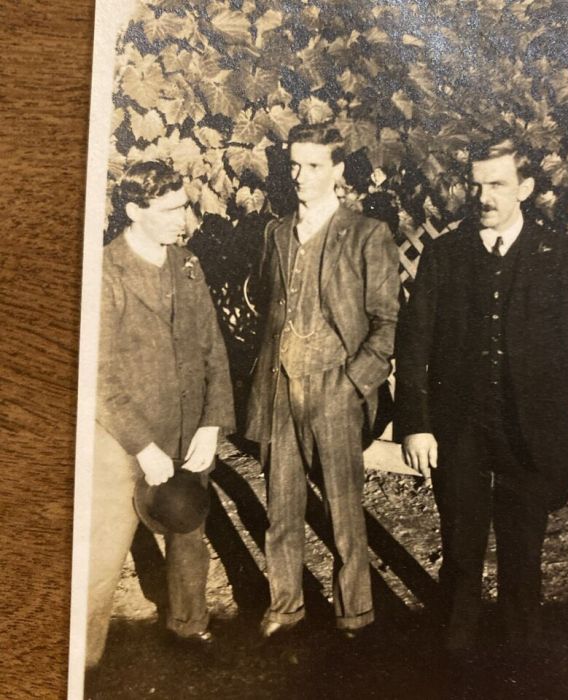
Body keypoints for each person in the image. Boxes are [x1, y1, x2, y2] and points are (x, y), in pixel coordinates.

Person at [395, 135, 568, 659]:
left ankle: (521, 657)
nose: (483, 196)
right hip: (457, 426)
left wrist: (544, 415)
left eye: (498, 184)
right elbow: (413, 343)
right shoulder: (445, 253)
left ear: (525, 188)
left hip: (526, 431)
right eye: (476, 184)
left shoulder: (554, 254)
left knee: (522, 548)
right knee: (461, 542)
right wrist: (415, 422)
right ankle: (455, 655)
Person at [246, 123, 401, 640]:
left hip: (335, 388)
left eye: (313, 166)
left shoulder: (367, 234)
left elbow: (387, 322)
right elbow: (272, 312)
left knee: (342, 508)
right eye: (294, 165)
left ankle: (355, 612)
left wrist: (355, 382)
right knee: (282, 507)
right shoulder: (275, 232)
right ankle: (284, 606)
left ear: (337, 171)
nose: (300, 176)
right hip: (280, 388)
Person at [86, 161, 235, 670]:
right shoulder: (103, 273)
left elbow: (213, 349)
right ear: (133, 211)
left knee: (188, 531)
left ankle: (189, 626)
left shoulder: (188, 264)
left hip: (188, 429)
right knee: (102, 553)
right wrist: (143, 446)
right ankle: (79, 659)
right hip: (122, 439)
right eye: (172, 210)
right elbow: (97, 374)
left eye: (186, 206)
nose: (185, 219)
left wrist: (212, 423)